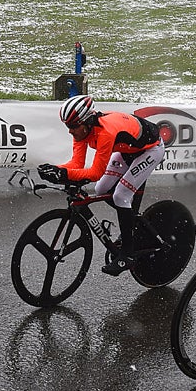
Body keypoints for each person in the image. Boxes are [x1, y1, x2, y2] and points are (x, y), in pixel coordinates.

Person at [37, 94, 166, 275]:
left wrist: (64, 174)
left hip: (151, 150)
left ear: (87, 121)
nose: (70, 131)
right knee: (101, 189)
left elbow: (95, 173)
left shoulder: (105, 131)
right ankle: (131, 220)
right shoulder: (82, 130)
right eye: (67, 126)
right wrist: (55, 169)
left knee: (121, 195)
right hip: (127, 150)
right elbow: (77, 164)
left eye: (73, 126)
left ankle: (127, 255)